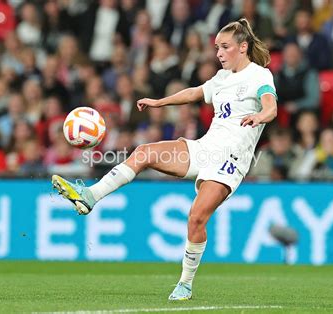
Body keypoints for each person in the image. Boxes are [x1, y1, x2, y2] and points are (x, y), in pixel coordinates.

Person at [52, 18, 277, 301]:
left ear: (243, 47)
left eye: (225, 47)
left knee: (196, 218)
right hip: (204, 148)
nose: (218, 53)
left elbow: (271, 107)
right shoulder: (222, 78)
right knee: (144, 152)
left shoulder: (259, 76)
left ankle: (185, 283)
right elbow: (194, 93)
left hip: (230, 160)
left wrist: (259, 116)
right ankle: (90, 196)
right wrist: (159, 102)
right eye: (216, 47)